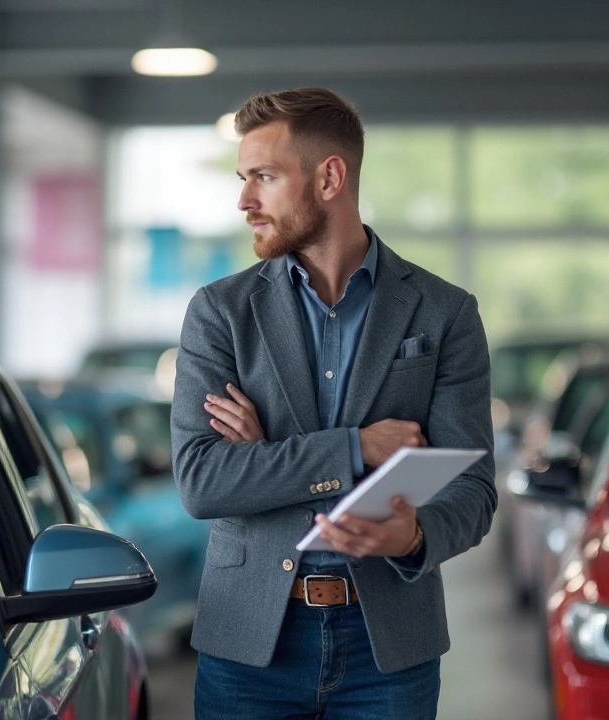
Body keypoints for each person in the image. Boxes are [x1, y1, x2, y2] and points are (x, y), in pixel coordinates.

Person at [170, 87, 496, 719]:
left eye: (263, 177)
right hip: (249, 650)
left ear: (329, 177)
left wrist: (413, 536)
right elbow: (203, 482)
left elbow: (472, 490)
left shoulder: (444, 312)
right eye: (243, 178)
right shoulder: (219, 314)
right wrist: (357, 447)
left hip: (389, 654)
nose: (244, 200)